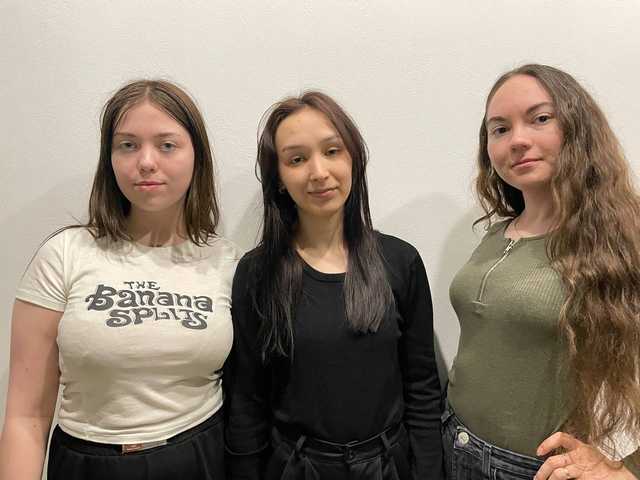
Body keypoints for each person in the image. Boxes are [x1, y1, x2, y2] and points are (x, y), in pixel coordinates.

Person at [0, 80, 239, 480]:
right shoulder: (64, 255)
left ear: (196, 155)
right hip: (86, 463)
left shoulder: (228, 262)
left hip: (199, 457)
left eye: (167, 145)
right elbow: (26, 417)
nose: (146, 162)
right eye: (127, 145)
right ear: (108, 158)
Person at [224, 91, 443, 480]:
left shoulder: (400, 262)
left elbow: (422, 388)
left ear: (353, 159)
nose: (319, 172)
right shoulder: (257, 273)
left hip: (387, 466)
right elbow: (246, 399)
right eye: (296, 159)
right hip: (297, 467)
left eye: (331, 151)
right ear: (278, 179)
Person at [443, 64, 640, 479]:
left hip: (531, 469)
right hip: (453, 444)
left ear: (577, 127)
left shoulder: (622, 238)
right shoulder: (497, 233)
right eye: (500, 129)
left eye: (540, 118)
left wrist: (625, 467)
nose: (517, 140)